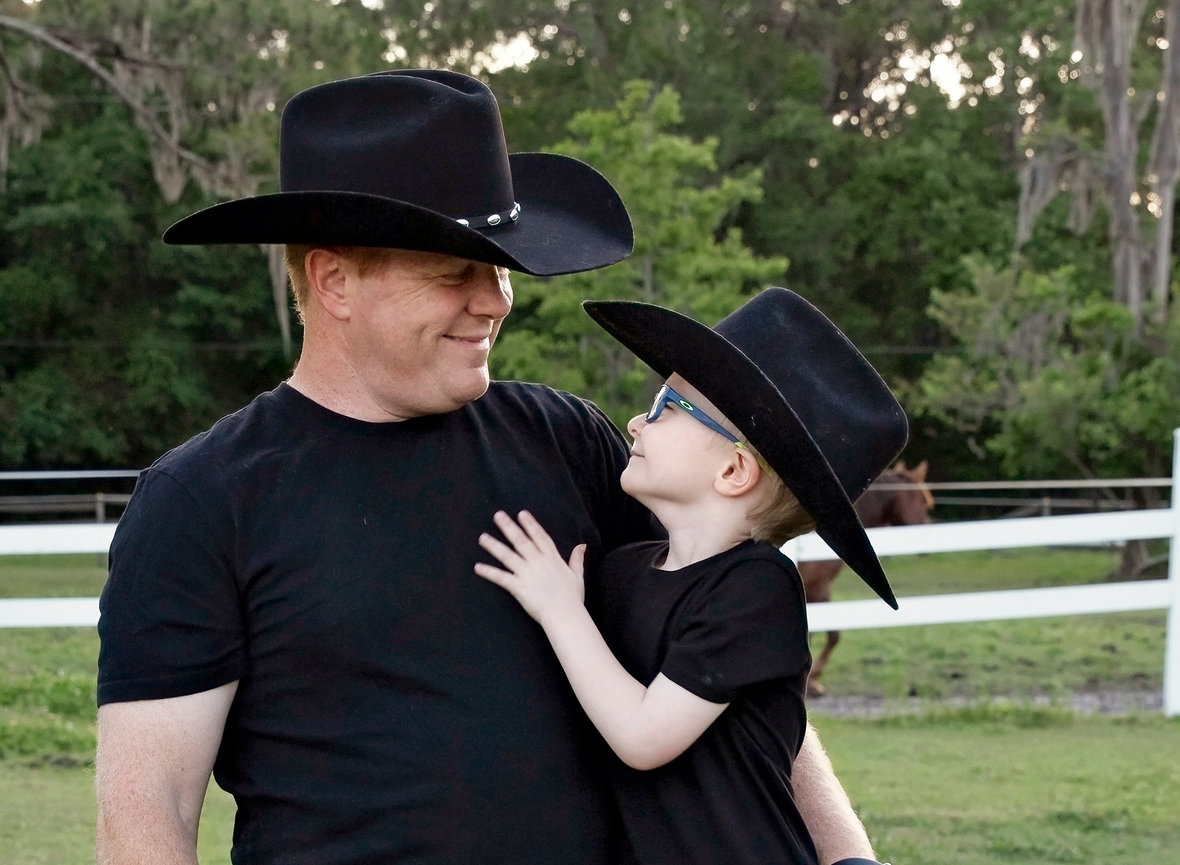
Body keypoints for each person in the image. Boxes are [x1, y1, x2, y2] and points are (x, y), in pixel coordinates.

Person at [95, 69, 887, 865]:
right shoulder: (201, 500)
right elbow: (147, 813)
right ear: (334, 279)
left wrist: (848, 859)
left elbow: (727, 664)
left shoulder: (567, 442)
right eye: (456, 273)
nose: (498, 300)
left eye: (500, 266)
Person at [475, 288, 906, 865]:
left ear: (733, 469)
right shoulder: (627, 571)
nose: (635, 421)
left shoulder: (757, 588)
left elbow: (642, 739)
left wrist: (560, 608)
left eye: (665, 409)